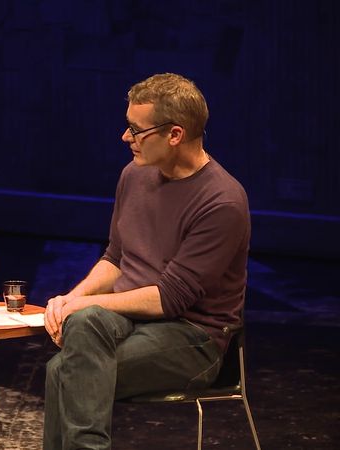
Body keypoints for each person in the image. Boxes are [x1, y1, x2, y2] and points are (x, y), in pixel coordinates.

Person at [43, 73, 250, 449]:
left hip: (194, 337)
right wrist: (71, 299)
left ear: (174, 134)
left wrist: (82, 304)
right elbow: (116, 258)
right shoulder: (134, 176)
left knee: (64, 370)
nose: (126, 138)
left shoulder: (223, 202)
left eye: (136, 130)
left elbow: (168, 299)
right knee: (84, 322)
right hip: (129, 320)